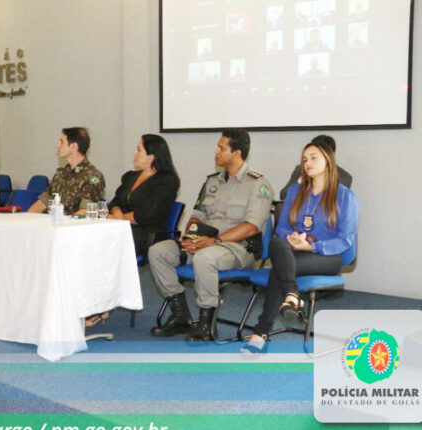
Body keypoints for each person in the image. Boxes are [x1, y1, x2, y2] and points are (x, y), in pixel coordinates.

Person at [148, 129, 273, 341]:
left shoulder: (258, 184)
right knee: (157, 251)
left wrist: (214, 241)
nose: (216, 151)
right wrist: (191, 236)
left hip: (237, 249)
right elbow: (197, 215)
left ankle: (206, 324)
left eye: (221, 147)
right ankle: (181, 316)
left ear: (237, 152)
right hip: (205, 243)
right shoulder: (212, 182)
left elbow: (252, 226)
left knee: (206, 258)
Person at [243, 141, 359, 354]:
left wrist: (312, 246)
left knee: (280, 266)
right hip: (294, 253)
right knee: (278, 243)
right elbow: (283, 227)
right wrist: (294, 238)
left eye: (314, 157)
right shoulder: (296, 191)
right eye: (305, 159)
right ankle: (291, 296)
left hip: (327, 257)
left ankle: (262, 331)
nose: (308, 162)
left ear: (328, 160)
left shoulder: (344, 196)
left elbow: (345, 240)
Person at [107, 134, 180, 256]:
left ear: (151, 157)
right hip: (121, 227)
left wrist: (120, 219)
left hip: (146, 233)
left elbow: (148, 215)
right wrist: (116, 212)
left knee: (104, 241)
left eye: (139, 150)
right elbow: (114, 203)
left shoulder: (166, 181)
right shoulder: (131, 177)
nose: (134, 153)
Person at [28, 127, 105, 216]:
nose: (58, 145)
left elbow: (86, 211)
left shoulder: (93, 176)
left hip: (75, 227)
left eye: (62, 142)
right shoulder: (61, 174)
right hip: (55, 224)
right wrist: (28, 218)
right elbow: (43, 202)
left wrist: (63, 224)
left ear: (74, 147)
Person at [279, 135, 352, 200]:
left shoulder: (344, 177)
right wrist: (300, 180)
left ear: (331, 155)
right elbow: (283, 196)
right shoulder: (301, 170)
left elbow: (337, 203)